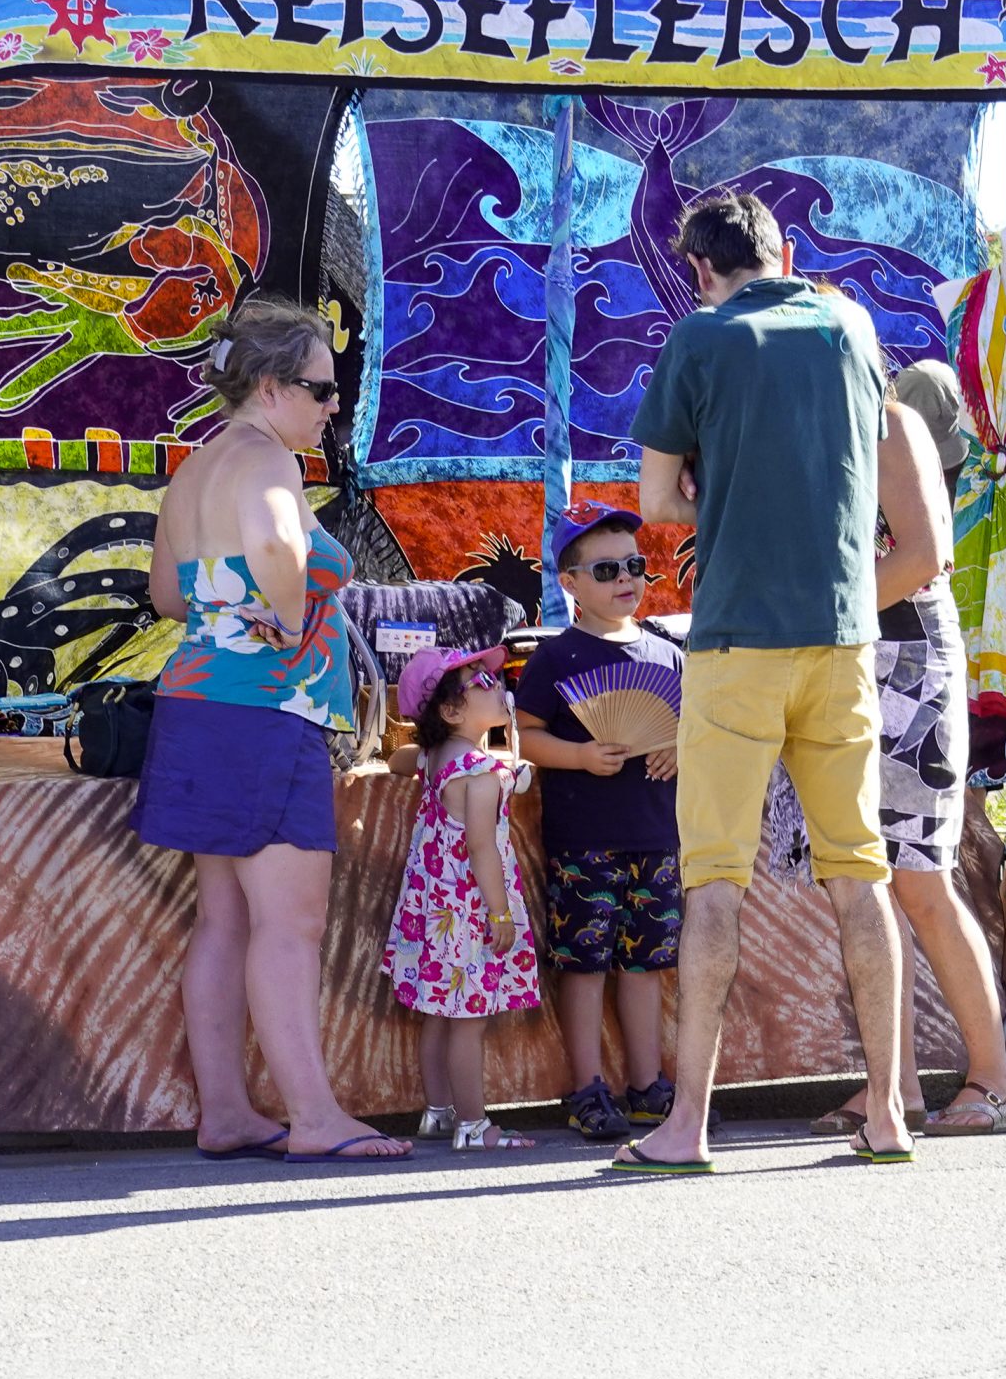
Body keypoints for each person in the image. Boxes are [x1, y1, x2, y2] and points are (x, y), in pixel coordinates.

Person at [618, 191, 910, 1173]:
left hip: (737, 640)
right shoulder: (850, 326)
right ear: (783, 254)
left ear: (701, 269)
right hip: (842, 636)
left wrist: (710, 483)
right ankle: (888, 1114)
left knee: (714, 884)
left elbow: (657, 501)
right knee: (859, 875)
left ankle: (686, 1127)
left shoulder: (700, 337)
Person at [139, 298, 410, 1164]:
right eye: (322, 389)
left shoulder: (196, 468)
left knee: (223, 922)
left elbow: (168, 597)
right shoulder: (266, 461)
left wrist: (238, 610)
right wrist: (290, 621)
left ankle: (226, 1112)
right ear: (269, 387)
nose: (334, 405)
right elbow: (277, 547)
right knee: (289, 926)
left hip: (198, 706)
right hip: (266, 714)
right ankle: (315, 1117)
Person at [813, 359, 1006, 1138]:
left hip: (905, 659)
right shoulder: (825, 431)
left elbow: (921, 557)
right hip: (854, 657)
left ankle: (994, 1081)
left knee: (921, 883)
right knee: (865, 880)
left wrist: (816, 613)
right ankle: (892, 1086)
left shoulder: (891, 426)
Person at [512, 500, 684, 1141]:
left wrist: (680, 744)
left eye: (635, 565)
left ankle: (648, 1087)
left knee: (645, 967)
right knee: (583, 967)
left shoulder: (667, 655)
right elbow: (522, 736)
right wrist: (580, 755)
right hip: (584, 845)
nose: (626, 579)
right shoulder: (555, 658)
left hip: (657, 840)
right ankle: (585, 1088)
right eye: (607, 569)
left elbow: (694, 728)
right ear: (570, 583)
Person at [383, 645, 546, 1152]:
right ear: (452, 710)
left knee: (438, 1012)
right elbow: (480, 847)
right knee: (468, 1022)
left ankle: (437, 1112)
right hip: (469, 912)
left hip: (433, 912)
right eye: (482, 682)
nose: (498, 685)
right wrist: (500, 913)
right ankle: (474, 1126)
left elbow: (398, 758)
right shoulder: (478, 772)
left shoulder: (437, 759)